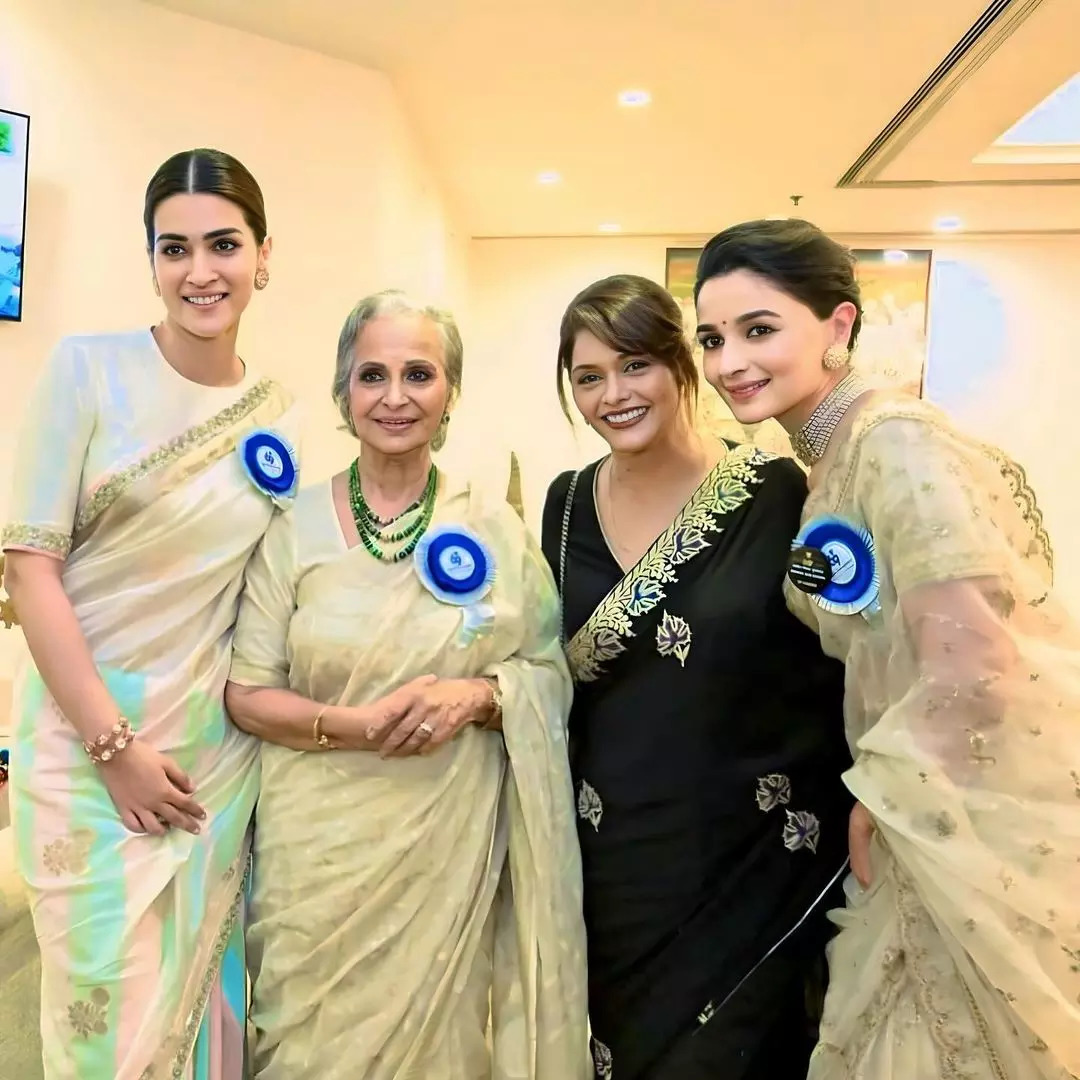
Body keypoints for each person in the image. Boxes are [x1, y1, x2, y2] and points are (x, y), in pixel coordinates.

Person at [694, 217, 1080, 1078]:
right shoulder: (825, 461)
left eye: (759, 330)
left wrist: (878, 798)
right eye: (713, 339)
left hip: (954, 815)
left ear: (837, 325)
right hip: (917, 807)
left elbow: (976, 655)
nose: (728, 364)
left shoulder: (896, 441)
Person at [225, 290, 589, 1079]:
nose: (395, 397)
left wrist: (480, 696)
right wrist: (355, 727)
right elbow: (246, 692)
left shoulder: (491, 525)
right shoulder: (291, 530)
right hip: (316, 858)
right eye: (372, 376)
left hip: (444, 847)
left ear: (450, 392)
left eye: (419, 374)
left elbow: (547, 671)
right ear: (342, 393)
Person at [0, 148, 299, 1078]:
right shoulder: (88, 370)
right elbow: (28, 565)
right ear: (152, 260)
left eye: (223, 244)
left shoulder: (275, 415)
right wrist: (113, 748)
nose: (200, 271)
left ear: (262, 254)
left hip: (213, 765)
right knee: (101, 1028)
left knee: (205, 1005)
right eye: (175, 249)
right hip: (93, 761)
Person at [540, 274, 854, 1080]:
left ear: (680, 363)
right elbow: (536, 666)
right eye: (588, 377)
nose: (614, 394)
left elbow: (846, 661)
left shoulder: (779, 493)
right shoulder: (564, 505)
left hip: (753, 858)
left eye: (635, 364)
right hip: (615, 861)